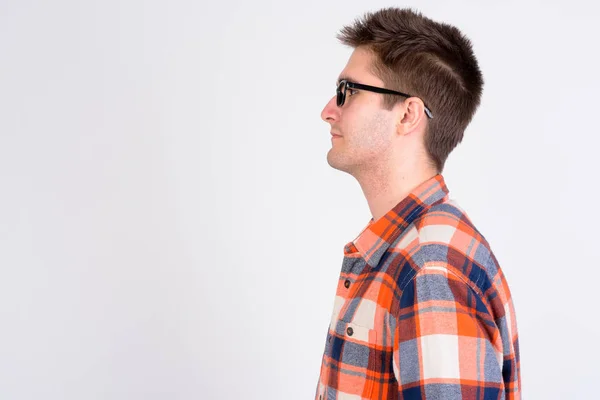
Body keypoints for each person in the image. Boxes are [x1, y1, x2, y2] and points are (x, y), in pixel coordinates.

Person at [315, 7, 521, 400]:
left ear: (408, 115)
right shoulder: (406, 252)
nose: (328, 111)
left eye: (349, 92)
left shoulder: (431, 268)